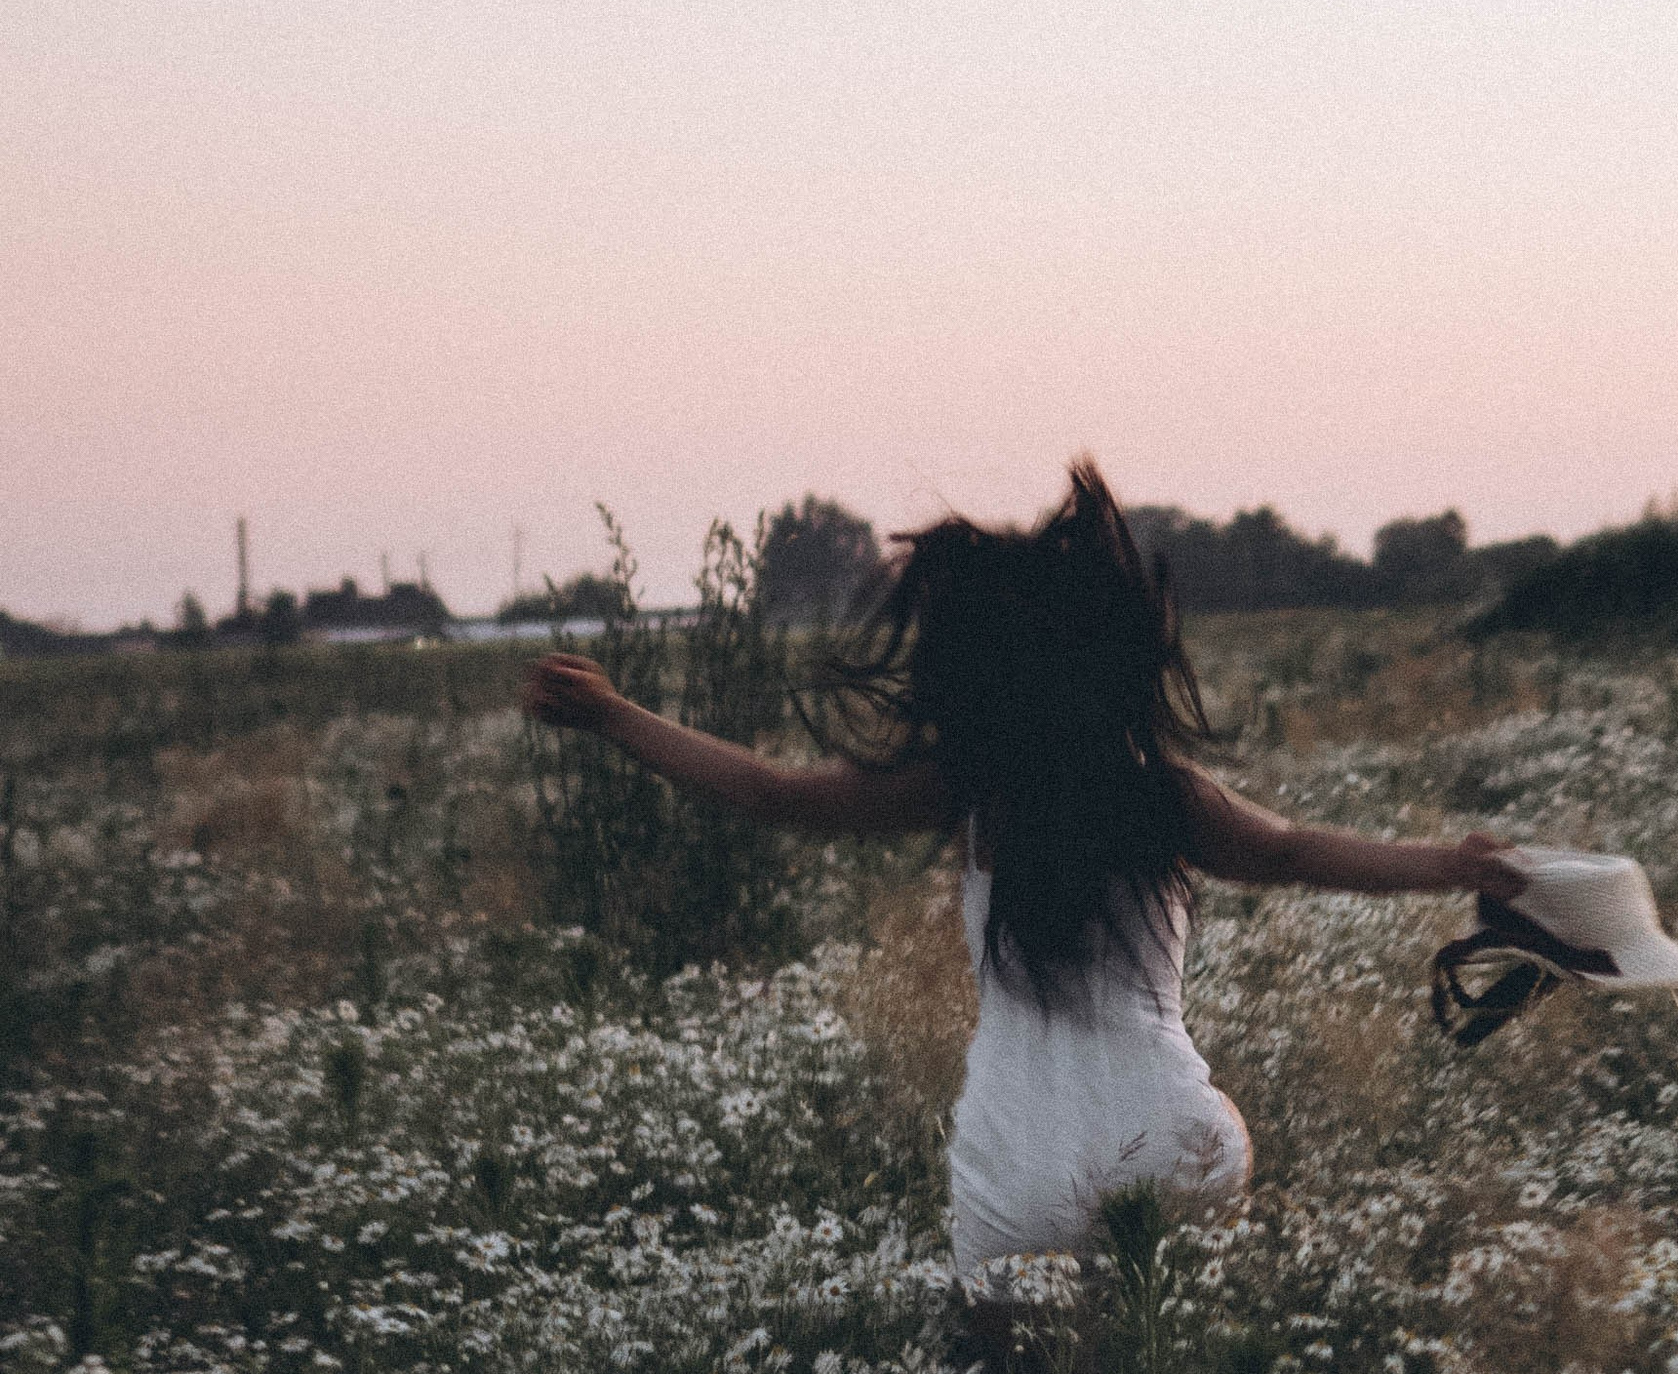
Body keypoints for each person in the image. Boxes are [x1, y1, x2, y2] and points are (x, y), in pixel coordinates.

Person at [522, 463, 1523, 1279]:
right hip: (1181, 1144)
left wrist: (613, 714)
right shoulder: (1165, 797)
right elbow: (1299, 852)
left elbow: (770, 791)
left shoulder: (971, 791)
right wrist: (1451, 861)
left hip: (1028, 1162)